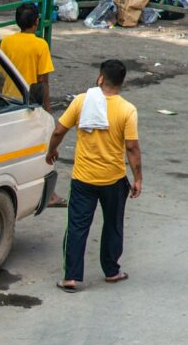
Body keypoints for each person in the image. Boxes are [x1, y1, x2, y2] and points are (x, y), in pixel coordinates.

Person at [46, 59, 142, 293]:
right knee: (113, 225)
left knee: (77, 226)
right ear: (122, 82)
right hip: (114, 178)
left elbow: (59, 129)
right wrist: (138, 178)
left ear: (100, 78)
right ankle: (112, 271)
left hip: (83, 178)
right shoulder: (127, 110)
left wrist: (52, 150)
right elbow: (131, 147)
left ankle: (71, 277)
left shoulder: (82, 101)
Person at [0, 2, 65, 207]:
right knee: (44, 148)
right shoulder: (40, 45)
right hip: (31, 104)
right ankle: (49, 193)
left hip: (9, 101)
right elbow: (43, 81)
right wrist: (47, 109)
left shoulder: (7, 42)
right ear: (36, 22)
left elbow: (2, 75)